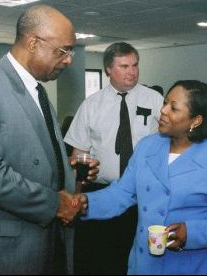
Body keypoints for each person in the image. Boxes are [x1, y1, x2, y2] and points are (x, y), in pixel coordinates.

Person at [0, 5, 98, 275]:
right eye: (63, 51)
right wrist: (55, 203)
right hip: (2, 251)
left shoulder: (36, 91)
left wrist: (67, 169)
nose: (69, 60)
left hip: (43, 241)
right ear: (33, 42)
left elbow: (29, 156)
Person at [77, 80, 207, 274]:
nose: (163, 110)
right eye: (165, 102)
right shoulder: (147, 146)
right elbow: (122, 192)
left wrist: (191, 233)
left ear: (196, 120)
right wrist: (85, 203)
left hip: (193, 265)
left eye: (173, 108)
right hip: (145, 263)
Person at [64, 42, 164, 275]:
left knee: (143, 260)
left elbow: (171, 142)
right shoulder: (91, 105)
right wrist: (76, 194)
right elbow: (78, 153)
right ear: (108, 69)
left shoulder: (155, 100)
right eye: (124, 66)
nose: (132, 71)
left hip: (144, 195)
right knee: (104, 259)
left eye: (135, 65)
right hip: (102, 193)